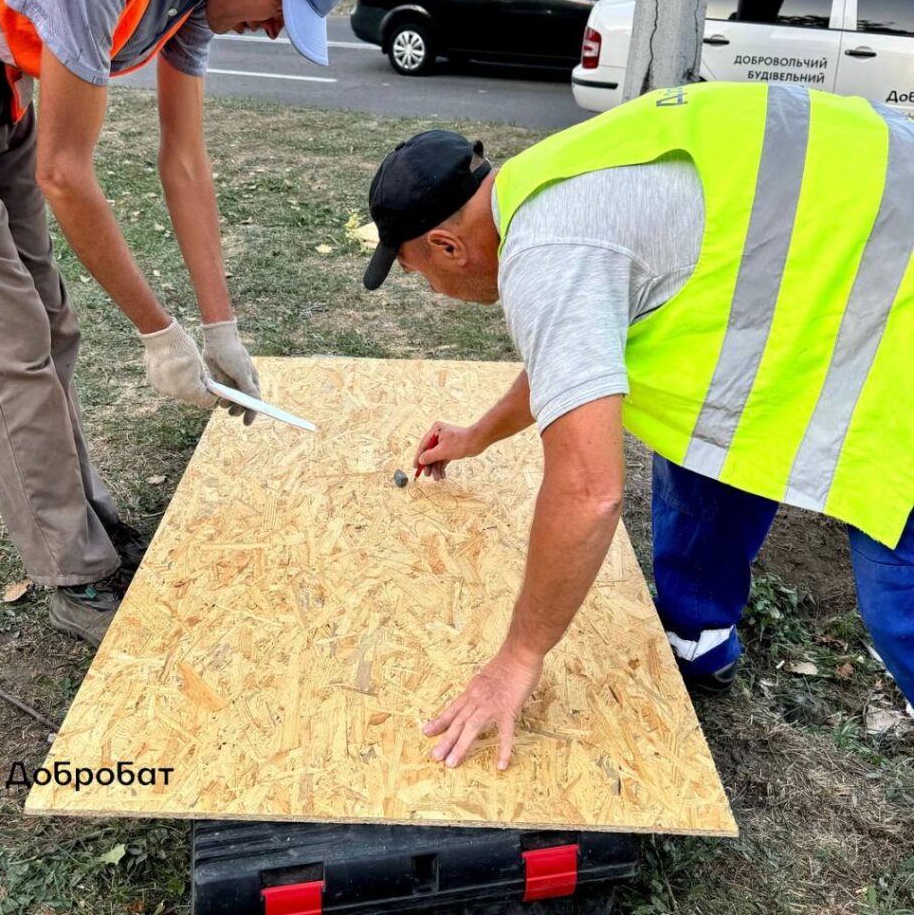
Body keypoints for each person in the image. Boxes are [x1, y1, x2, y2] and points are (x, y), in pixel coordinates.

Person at [362, 81, 914, 770]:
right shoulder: (546, 182)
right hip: (866, 216)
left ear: (448, 246)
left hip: (895, 279)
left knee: (902, 597)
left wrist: (517, 658)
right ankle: (700, 638)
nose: (433, 289)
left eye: (417, 273)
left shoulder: (547, 252)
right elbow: (575, 355)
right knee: (698, 432)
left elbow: (589, 493)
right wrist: (479, 434)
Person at [0, 0, 363, 647]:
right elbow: (66, 174)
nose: (277, 30)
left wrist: (220, 328)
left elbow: (184, 160)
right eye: (284, 6)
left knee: (51, 319)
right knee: (4, 334)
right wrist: (159, 333)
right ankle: (72, 572)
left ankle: (87, 524)